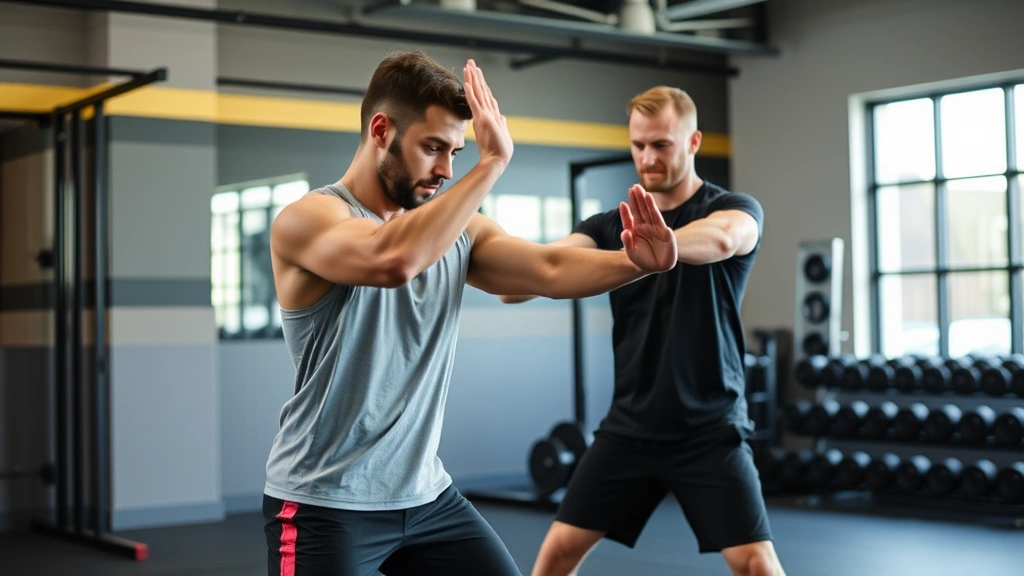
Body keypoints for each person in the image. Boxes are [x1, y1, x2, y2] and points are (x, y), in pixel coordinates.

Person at [261, 51, 679, 576]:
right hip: (326, 502)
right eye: (433, 147)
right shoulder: (309, 219)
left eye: (457, 152)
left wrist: (634, 264)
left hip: (426, 497)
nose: (446, 169)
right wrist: (492, 163)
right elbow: (393, 260)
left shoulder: (459, 229)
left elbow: (547, 269)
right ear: (381, 130)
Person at [500, 86, 787, 576]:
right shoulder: (611, 227)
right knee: (555, 556)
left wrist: (665, 246)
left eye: (661, 145)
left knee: (755, 564)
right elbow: (533, 276)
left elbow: (723, 237)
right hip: (631, 427)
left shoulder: (732, 208)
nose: (647, 157)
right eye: (638, 145)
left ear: (693, 141)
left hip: (709, 427)